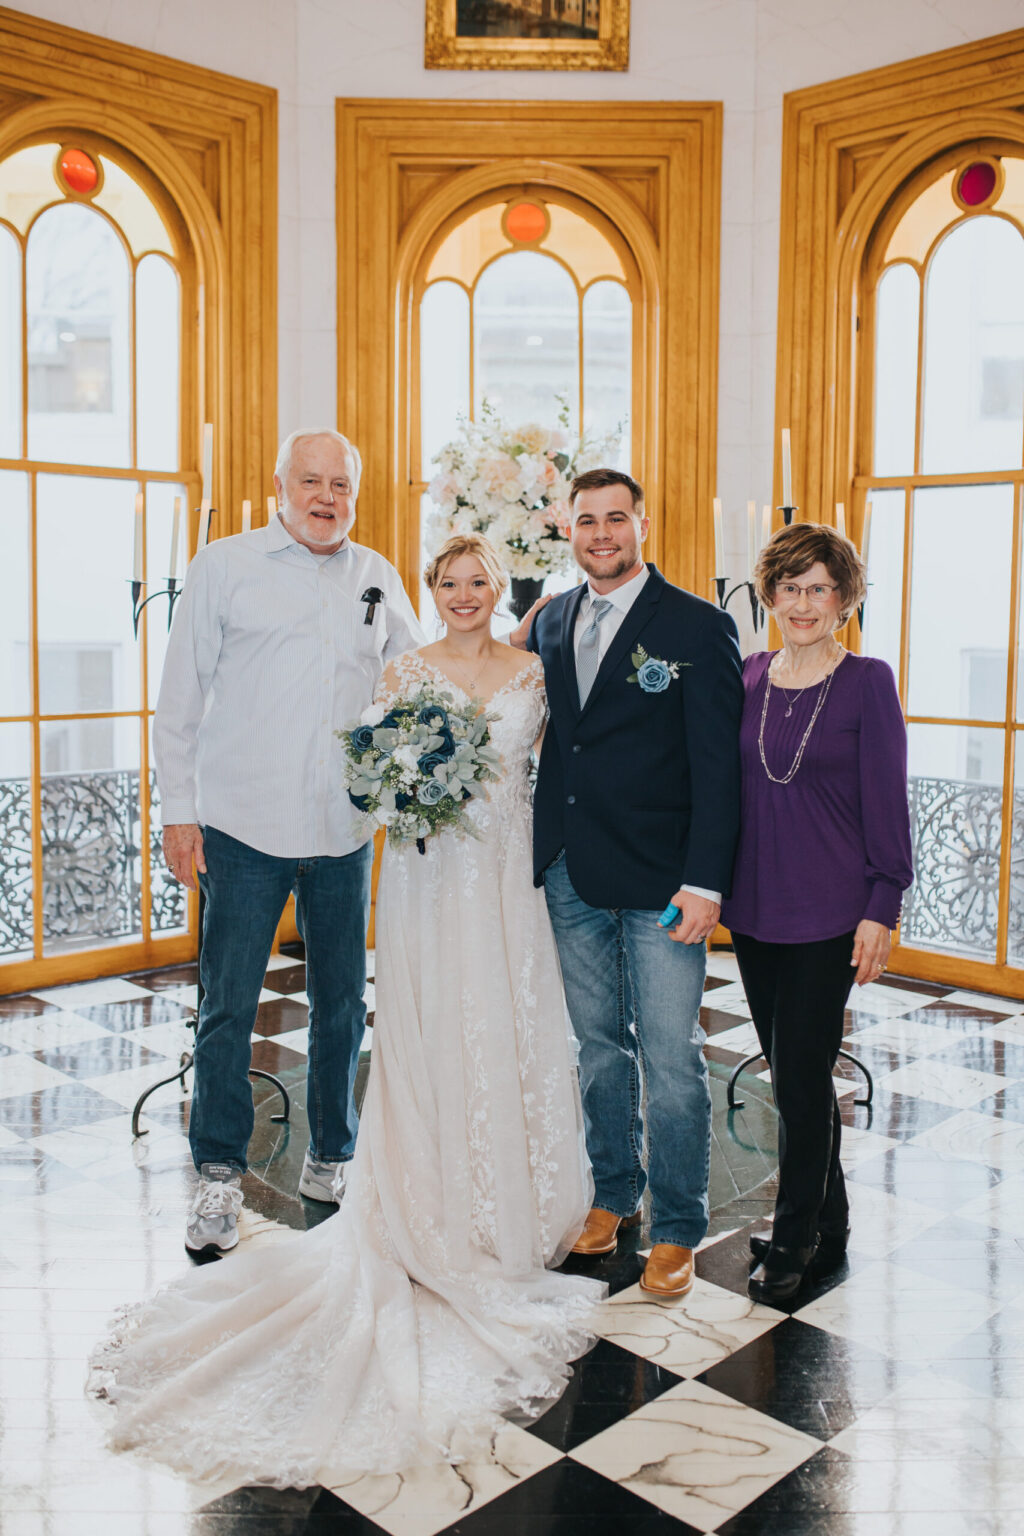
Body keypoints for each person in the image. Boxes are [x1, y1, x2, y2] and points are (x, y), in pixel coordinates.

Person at [90, 533, 600, 1487]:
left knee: (493, 1023)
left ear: (501, 588)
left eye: (476, 580)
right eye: (446, 580)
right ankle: (250, 1174)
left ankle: (483, 1186)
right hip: (414, 872)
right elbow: (373, 753)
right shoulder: (396, 659)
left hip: (505, 884)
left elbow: (568, 760)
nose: (459, 593)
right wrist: (397, 786)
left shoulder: (522, 658)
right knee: (311, 1016)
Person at [153, 428, 423, 1253]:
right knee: (229, 1006)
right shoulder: (224, 566)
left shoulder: (376, 575)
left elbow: (416, 678)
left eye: (341, 484)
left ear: (355, 493)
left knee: (342, 1005)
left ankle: (332, 1155)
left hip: (342, 831)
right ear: (280, 485)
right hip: (241, 828)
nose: (326, 497)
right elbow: (180, 698)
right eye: (311, 481)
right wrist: (178, 810)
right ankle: (218, 1174)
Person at [514, 468, 743, 1298]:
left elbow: (719, 771)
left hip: (663, 882)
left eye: (617, 518)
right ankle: (613, 1193)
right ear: (567, 530)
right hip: (573, 869)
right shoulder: (549, 621)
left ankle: (679, 1221)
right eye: (587, 521)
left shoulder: (695, 624)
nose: (602, 533)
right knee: (599, 1050)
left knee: (673, 1059)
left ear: (644, 522)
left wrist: (706, 882)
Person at [721, 522, 913, 1304]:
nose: (803, 603)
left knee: (801, 1082)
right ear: (769, 594)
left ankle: (795, 1235)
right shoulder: (749, 674)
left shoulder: (867, 680)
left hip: (831, 911)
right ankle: (830, 1222)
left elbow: (888, 805)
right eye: (790, 587)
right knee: (789, 1073)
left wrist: (883, 905)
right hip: (755, 908)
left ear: (845, 598)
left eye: (820, 588)